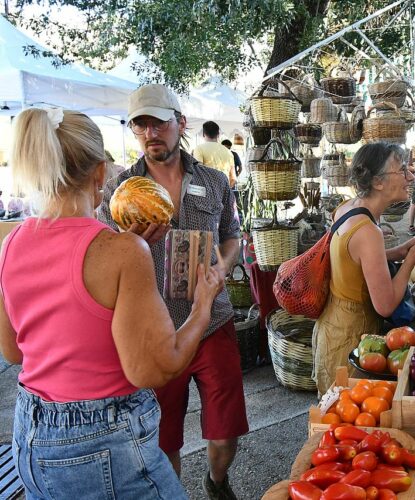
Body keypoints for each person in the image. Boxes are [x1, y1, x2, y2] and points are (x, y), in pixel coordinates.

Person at [0, 108, 223, 499]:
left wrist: (130, 253)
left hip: (31, 438)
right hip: (102, 443)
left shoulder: (10, 245)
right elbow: (156, 367)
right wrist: (202, 306)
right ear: (101, 173)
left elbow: (13, 350)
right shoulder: (121, 251)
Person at [98, 84, 249, 499]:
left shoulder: (216, 181)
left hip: (212, 321)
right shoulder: (120, 191)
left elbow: (232, 236)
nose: (150, 133)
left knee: (225, 433)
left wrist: (223, 265)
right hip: (155, 328)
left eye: (159, 122)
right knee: (165, 441)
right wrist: (129, 243)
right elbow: (100, 254)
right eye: (140, 124)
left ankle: (217, 481)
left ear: (180, 124)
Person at [312, 143, 415, 394]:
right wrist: (411, 259)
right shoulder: (369, 231)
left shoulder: (349, 208)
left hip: (332, 328)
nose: (410, 176)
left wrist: (398, 251)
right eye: (402, 170)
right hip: (350, 337)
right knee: (346, 420)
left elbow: (352, 261)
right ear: (378, 182)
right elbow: (386, 304)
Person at [193, 121, 236, 188]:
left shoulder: (199, 149)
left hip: (208, 192)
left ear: (203, 134)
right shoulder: (228, 152)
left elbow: (198, 173)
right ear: (218, 134)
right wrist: (226, 191)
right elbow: (233, 178)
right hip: (224, 191)